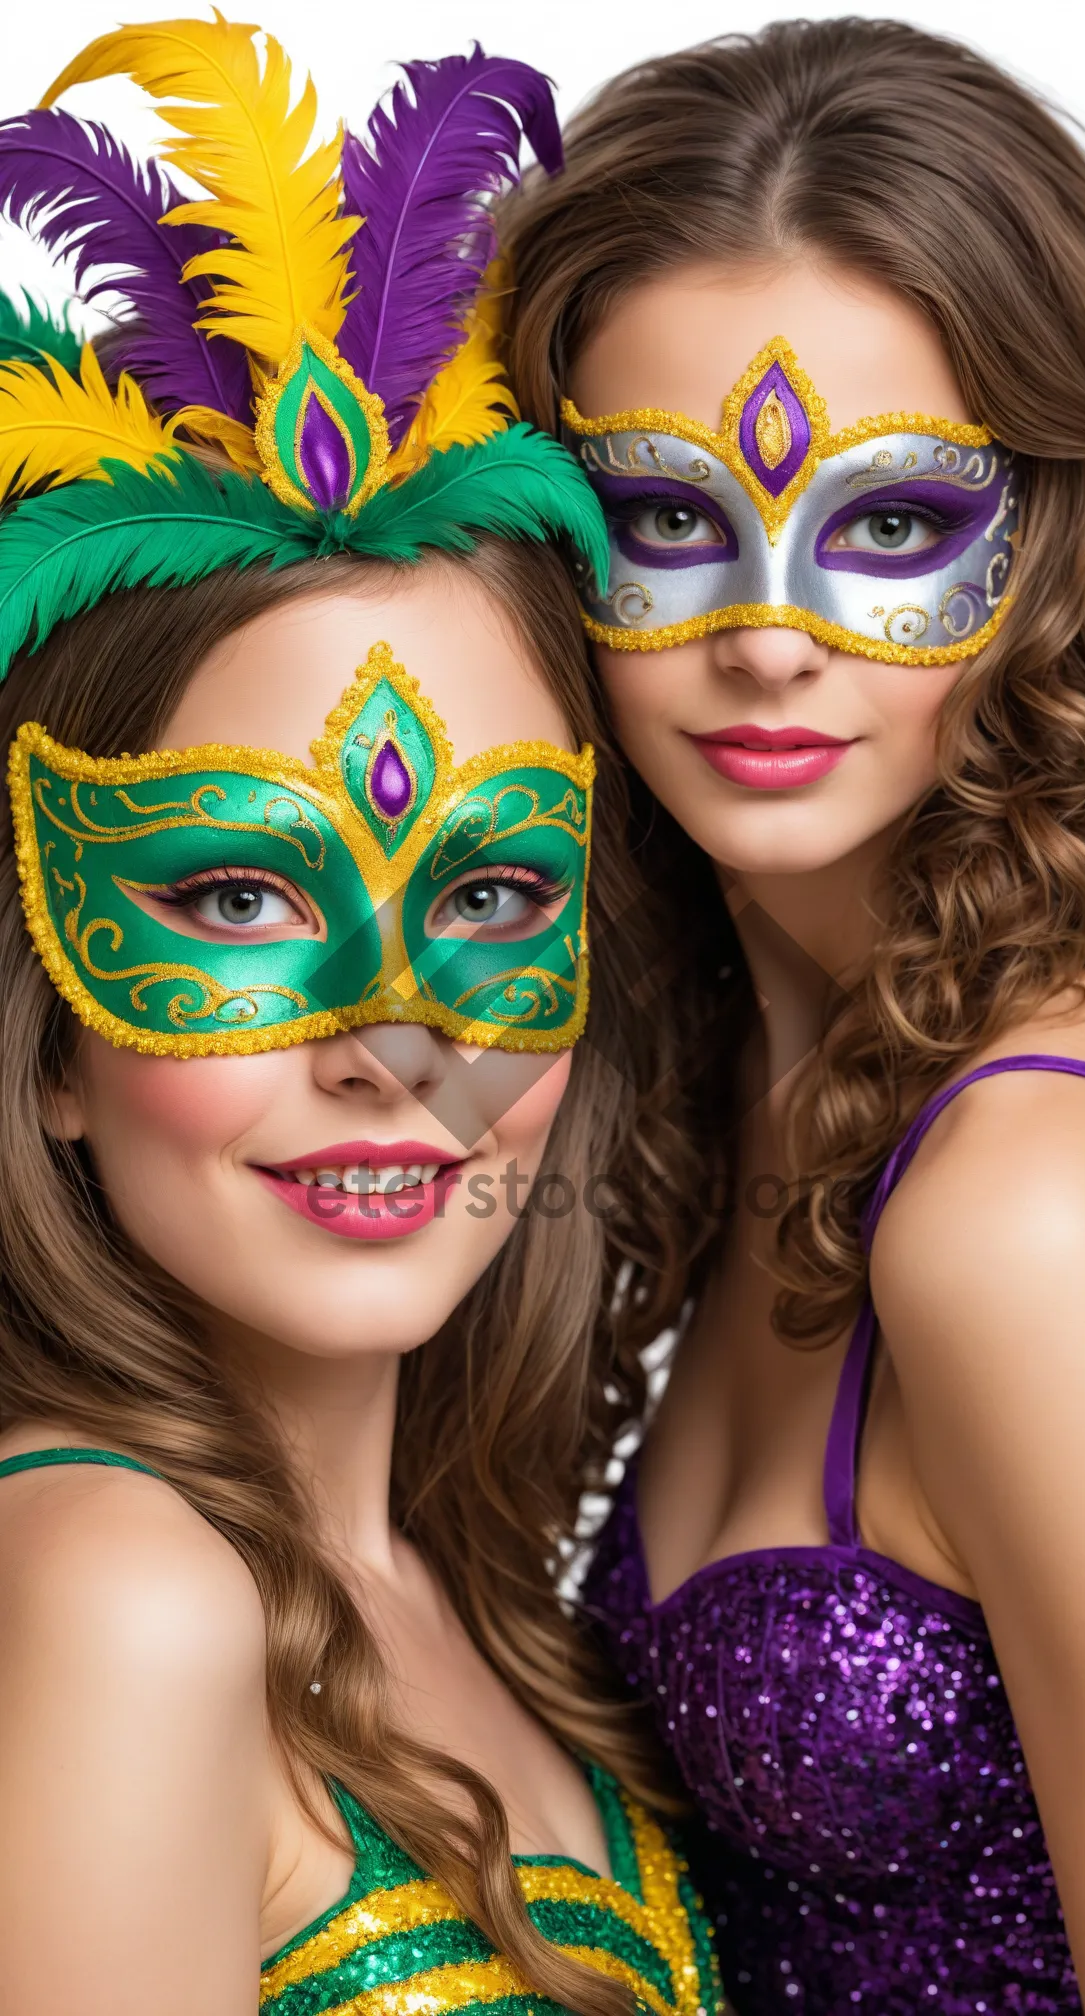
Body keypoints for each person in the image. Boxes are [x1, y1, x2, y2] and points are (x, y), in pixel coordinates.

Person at [0, 20, 723, 2016]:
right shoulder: (118, 1598)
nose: (392, 1048)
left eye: (492, 896)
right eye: (237, 897)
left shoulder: (475, 1587)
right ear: (49, 1033)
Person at [501, 17, 1085, 2014]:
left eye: (886, 526)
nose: (769, 636)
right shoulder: (721, 1090)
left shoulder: (1026, 1195)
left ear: (1050, 534)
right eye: (669, 520)